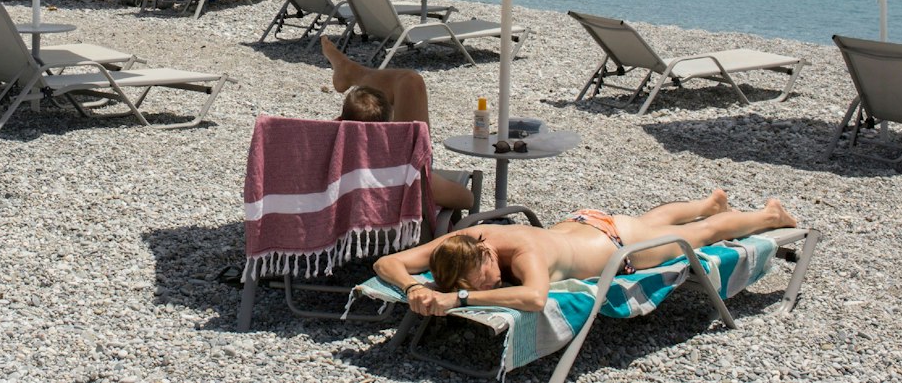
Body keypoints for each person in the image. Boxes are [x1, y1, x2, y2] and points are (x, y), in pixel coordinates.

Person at [375, 190, 799, 314]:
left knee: (700, 234)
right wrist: (413, 287)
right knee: (653, 218)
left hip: (620, 245)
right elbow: (385, 263)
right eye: (471, 286)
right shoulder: (460, 244)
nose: (487, 285)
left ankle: (767, 216)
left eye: (479, 281)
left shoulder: (523, 254)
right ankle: (708, 202)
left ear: (487, 257)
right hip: (584, 225)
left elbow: (535, 298)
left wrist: (459, 298)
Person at [335, 80, 475, 211]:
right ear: (388, 127)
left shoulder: (331, 169)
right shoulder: (404, 168)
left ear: (341, 121)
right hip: (402, 237)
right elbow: (467, 200)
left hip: (346, 236)